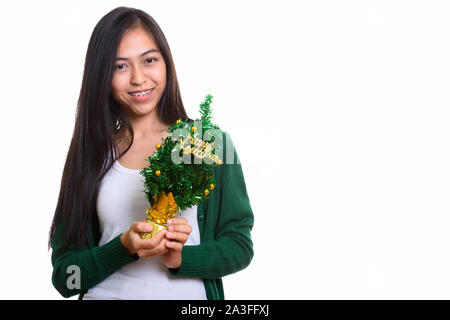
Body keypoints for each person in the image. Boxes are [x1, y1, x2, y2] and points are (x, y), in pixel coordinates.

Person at [48, 6, 254, 300]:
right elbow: (65, 279)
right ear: (102, 76)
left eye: (149, 60)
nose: (138, 78)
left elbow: (240, 246)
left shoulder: (208, 142)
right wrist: (123, 247)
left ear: (166, 62)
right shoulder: (91, 153)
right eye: (120, 66)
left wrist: (182, 258)